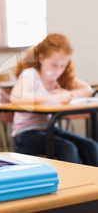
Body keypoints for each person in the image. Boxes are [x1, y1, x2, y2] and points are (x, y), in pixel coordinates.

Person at [10, 33, 98, 166]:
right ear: (41, 58)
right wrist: (53, 97)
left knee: (90, 145)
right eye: (54, 65)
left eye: (63, 66)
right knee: (68, 148)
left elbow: (87, 89)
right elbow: (16, 96)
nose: (58, 70)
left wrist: (68, 94)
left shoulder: (58, 78)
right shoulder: (30, 74)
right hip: (25, 134)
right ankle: (68, 185)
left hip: (50, 129)